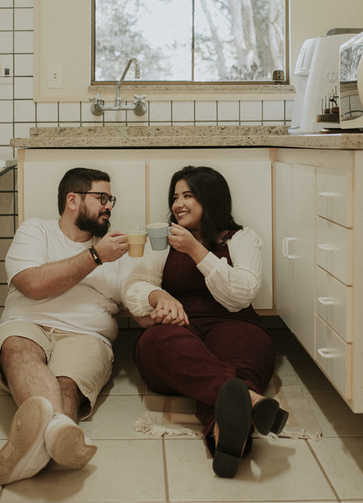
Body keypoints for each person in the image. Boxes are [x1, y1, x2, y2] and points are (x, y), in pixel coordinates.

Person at [123, 165, 287, 479]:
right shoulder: (162, 239)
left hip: (235, 325)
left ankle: (224, 438)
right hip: (179, 330)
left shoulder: (242, 238)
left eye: (188, 196)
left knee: (238, 356)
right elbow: (133, 289)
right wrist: (160, 298)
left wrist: (197, 251)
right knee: (157, 342)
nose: (178, 204)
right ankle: (250, 399)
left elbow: (240, 295)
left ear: (210, 200)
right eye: (175, 197)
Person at [0, 167, 131, 485]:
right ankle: (60, 436)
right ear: (73, 200)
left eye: (111, 199)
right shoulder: (35, 231)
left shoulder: (119, 249)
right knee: (16, 348)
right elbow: (33, 285)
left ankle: (37, 447)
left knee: (67, 384)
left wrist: (161, 298)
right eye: (102, 198)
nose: (109, 205)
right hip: (27, 324)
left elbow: (134, 298)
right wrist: (95, 256)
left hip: (87, 334)